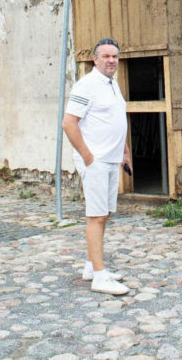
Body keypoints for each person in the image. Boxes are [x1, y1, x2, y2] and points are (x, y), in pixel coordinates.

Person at [61, 37, 132, 296]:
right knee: (96, 216)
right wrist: (87, 157)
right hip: (96, 161)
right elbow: (69, 123)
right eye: (106, 56)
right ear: (95, 59)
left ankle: (92, 267)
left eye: (115, 56)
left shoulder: (112, 84)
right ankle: (100, 277)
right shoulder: (87, 85)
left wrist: (124, 150)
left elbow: (115, 119)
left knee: (104, 214)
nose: (111, 60)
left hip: (111, 159)